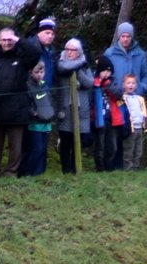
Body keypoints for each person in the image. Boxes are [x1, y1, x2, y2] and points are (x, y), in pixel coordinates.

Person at [0, 27, 37, 178]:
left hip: (17, 109)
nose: (7, 43)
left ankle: (11, 172)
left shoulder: (22, 57)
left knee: (15, 145)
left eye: (10, 39)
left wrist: (19, 41)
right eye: (4, 40)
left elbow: (35, 54)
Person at [54, 38, 96, 173]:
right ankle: (66, 171)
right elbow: (63, 69)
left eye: (73, 50)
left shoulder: (84, 65)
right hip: (65, 110)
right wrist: (75, 67)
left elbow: (89, 83)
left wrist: (77, 71)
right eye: (67, 49)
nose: (69, 52)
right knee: (65, 142)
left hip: (81, 110)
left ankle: (76, 170)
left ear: (79, 52)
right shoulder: (61, 63)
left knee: (78, 142)